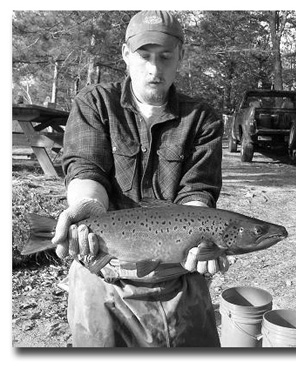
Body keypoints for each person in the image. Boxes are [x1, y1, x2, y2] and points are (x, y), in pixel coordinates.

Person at [52, 10, 228, 347]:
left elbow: (197, 190)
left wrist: (202, 236)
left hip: (180, 279)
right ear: (125, 55)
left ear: (181, 57)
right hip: (102, 275)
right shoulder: (94, 103)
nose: (154, 69)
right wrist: (86, 206)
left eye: (165, 57)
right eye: (144, 56)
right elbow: (85, 168)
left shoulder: (202, 118)